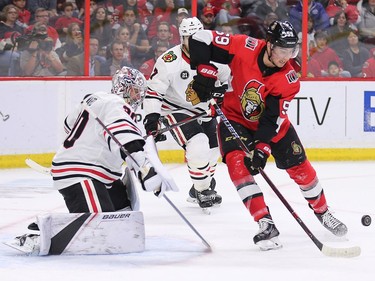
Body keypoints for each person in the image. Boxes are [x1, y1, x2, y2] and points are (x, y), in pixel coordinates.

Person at [188, 20, 348, 250]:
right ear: (270, 45)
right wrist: (205, 73)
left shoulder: (288, 78)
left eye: (291, 51)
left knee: (302, 170)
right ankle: (265, 222)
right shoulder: (244, 46)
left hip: (272, 127)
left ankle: (323, 212)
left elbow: (272, 118)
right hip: (235, 117)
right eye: (283, 50)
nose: (286, 57)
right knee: (236, 164)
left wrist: (262, 148)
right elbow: (200, 37)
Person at [8, 66, 177, 254]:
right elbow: (122, 136)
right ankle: (43, 235)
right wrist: (144, 169)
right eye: (136, 92)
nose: (138, 98)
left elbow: (68, 125)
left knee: (123, 220)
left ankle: (65, 224)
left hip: (101, 176)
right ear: (126, 88)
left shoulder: (95, 99)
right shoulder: (117, 105)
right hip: (82, 174)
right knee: (102, 231)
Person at [142, 17, 230, 210]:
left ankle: (200, 185)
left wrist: (222, 93)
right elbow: (154, 91)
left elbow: (229, 82)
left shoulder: (217, 56)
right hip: (175, 109)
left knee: (214, 150)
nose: (195, 42)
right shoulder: (169, 60)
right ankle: (202, 190)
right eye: (190, 38)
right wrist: (152, 118)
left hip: (205, 110)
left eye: (199, 37)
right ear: (182, 38)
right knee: (198, 145)